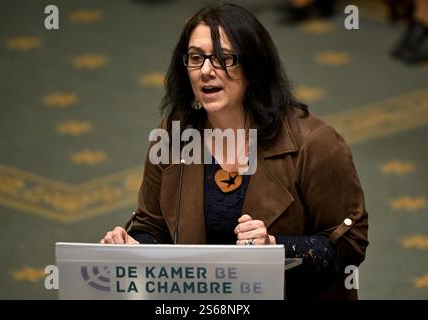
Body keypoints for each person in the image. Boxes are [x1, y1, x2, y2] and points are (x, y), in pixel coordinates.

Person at [101, 3, 368, 300]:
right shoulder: (173, 135)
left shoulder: (316, 143)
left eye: (223, 58)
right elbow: (152, 225)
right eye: (195, 58)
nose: (205, 71)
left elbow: (350, 244)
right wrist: (134, 246)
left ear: (253, 66)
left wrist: (276, 248)